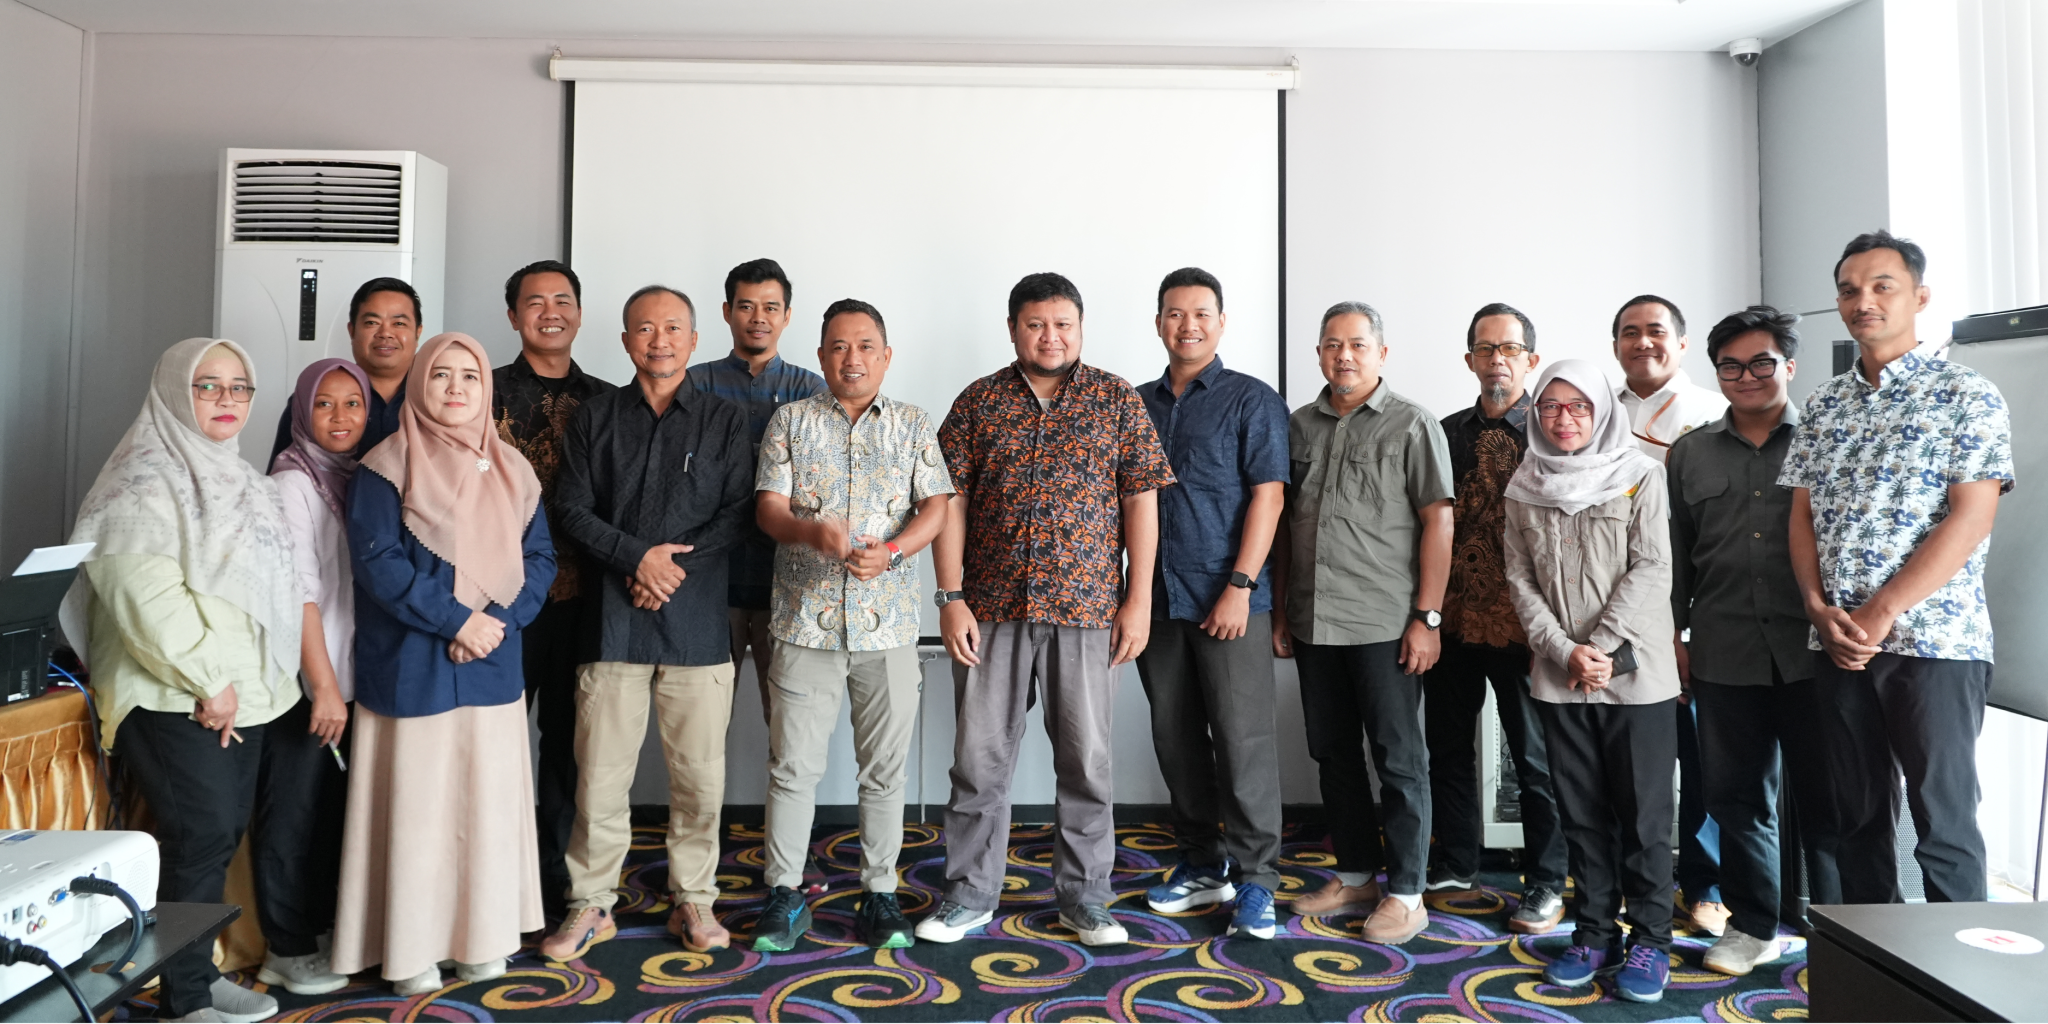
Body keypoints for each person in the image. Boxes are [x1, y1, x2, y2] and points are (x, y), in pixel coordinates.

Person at [919, 272, 1174, 948]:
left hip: (1087, 611)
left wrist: (1139, 599)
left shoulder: (1116, 399)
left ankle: (1086, 900)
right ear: (1013, 329)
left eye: (1063, 324)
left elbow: (1140, 500)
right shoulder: (978, 402)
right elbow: (949, 503)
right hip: (990, 608)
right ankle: (968, 895)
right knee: (978, 761)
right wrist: (950, 597)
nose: (1050, 336)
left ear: (1081, 328)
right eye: (1036, 324)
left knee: (1087, 763)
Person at [60, 338, 302, 1023]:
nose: (227, 400)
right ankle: (185, 999)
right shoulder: (140, 479)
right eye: (208, 385)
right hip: (174, 693)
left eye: (239, 387)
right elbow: (143, 595)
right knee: (199, 834)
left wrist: (248, 682)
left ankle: (194, 975)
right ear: (173, 391)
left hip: (241, 693)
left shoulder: (242, 479)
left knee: (216, 837)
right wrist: (209, 679)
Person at [1782, 231, 2012, 904]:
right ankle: (1871, 963)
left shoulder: (1967, 394)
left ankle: (1956, 968)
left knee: (1944, 824)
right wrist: (1817, 608)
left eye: (1883, 286)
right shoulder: (1824, 403)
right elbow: (1802, 517)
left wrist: (1880, 611)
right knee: (1856, 820)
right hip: (1840, 644)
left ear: (1920, 297)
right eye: (1850, 290)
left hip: (1935, 643)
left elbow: (1970, 518)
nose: (1864, 301)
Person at [332, 333, 556, 994]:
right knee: (419, 813)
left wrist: (496, 623)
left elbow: (539, 559)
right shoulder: (384, 466)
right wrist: (457, 621)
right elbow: (378, 563)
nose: (456, 388)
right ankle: (411, 951)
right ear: (419, 384)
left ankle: (483, 939)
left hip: (492, 663)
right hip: (413, 665)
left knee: (485, 811)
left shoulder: (513, 469)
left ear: (487, 388)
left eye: (469, 377)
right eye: (441, 376)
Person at [545, 285, 755, 960]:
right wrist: (637, 559)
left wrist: (667, 570)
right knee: (600, 779)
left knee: (699, 779)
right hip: (613, 625)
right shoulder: (596, 416)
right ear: (625, 340)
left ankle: (694, 899)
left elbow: (739, 513)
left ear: (693, 340)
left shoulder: (725, 420)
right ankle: (590, 903)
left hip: (697, 629)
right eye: (644, 328)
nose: (658, 340)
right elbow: (571, 509)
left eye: (671, 329)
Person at [749, 299, 954, 952]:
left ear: (886, 356)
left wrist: (893, 552)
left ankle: (880, 893)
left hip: (888, 629)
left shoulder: (914, 423)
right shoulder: (790, 420)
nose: (852, 358)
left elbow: (937, 507)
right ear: (820, 356)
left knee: (884, 771)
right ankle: (784, 894)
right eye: (838, 346)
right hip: (803, 625)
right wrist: (811, 532)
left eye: (866, 346)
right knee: (791, 768)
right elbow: (768, 510)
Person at [1272, 301, 1453, 946]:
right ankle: (1354, 876)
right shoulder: (1298, 425)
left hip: (1385, 622)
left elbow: (1438, 520)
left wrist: (1427, 617)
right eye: (1331, 344)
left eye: (1356, 344)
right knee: (1333, 753)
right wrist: (1281, 610)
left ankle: (1407, 893)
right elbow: (1285, 524)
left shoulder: (1412, 424)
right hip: (1314, 620)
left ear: (1381, 353)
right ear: (1319, 353)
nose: (1343, 355)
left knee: (1399, 759)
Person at [1668, 306, 1840, 976]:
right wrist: (1673, 636)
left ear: (1788, 365)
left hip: (1817, 652)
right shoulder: (1691, 453)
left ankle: (1842, 935)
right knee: (1736, 800)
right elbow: (1676, 557)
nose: (1746, 377)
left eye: (1761, 363)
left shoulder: (1827, 439)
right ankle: (1753, 925)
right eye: (1730, 367)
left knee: (1829, 801)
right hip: (1723, 650)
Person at [1502, 359, 1677, 1004]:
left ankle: (1652, 940)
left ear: (1602, 412)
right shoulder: (1524, 485)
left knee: (1644, 817)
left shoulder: (1641, 475)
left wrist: (1598, 648)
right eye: (1551, 406)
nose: (1564, 418)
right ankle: (1594, 932)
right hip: (1559, 677)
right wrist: (1562, 650)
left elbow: (1653, 568)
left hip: (1636, 675)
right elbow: (1520, 579)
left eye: (1578, 406)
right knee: (1580, 814)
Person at [1131, 268, 1289, 940]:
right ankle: (1202, 863)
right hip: (1157, 600)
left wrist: (1241, 586)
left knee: (1242, 741)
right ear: (1158, 323)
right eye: (1175, 313)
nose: (1187, 325)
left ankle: (1257, 881)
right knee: (1175, 738)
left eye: (1201, 313)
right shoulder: (1134, 404)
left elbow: (1269, 497)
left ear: (1221, 323)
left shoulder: (1252, 399)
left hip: (1230, 600)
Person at [1423, 303, 1570, 935]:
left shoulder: (1554, 432)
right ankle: (1457, 862)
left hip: (1526, 628)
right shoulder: (1443, 432)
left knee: (1535, 760)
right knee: (1447, 748)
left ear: (1530, 360)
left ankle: (1546, 879)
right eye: (1486, 349)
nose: (1497, 360)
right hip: (1453, 618)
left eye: (1509, 349)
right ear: (1470, 360)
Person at [492, 259, 614, 917]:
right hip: (502, 601)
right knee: (498, 741)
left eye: (562, 300)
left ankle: (555, 878)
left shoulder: (609, 399)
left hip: (585, 599)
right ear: (514, 315)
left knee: (570, 746)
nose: (550, 312)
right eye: (535, 302)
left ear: (580, 313)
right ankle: (498, 876)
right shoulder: (482, 392)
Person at [1610, 294, 1729, 937]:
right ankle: (1631, 883)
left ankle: (1705, 885)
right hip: (1616, 612)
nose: (1642, 342)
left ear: (1681, 344)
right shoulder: (1597, 413)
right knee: (1631, 763)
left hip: (1691, 607)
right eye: (1629, 333)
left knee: (1703, 756)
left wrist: (1687, 625)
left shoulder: (1712, 412)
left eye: (1656, 331)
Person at [260, 357, 374, 997]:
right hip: (308, 679)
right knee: (293, 813)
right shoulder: (292, 481)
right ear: (302, 412)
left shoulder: (354, 476)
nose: (340, 417)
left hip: (347, 674)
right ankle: (285, 946)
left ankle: (320, 929)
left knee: (331, 810)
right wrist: (323, 686)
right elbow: (300, 591)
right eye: (324, 404)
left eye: (352, 404)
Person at [687, 258, 826, 724]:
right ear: (727, 312)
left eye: (771, 307)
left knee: (788, 721)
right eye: (746, 306)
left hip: (785, 584)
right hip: (710, 583)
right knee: (703, 722)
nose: (758, 317)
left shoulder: (811, 391)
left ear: (787, 315)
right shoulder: (695, 384)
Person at [268, 277, 423, 468]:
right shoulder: (314, 397)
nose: (385, 333)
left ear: (418, 332)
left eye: (399, 324)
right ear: (352, 331)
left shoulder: (436, 397)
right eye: (372, 322)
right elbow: (281, 471)